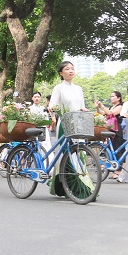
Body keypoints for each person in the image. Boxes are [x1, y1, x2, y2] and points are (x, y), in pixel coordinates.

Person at [47, 61, 91, 197]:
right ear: (61, 73)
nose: (71, 71)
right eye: (67, 69)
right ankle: (72, 186)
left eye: (72, 68)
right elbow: (53, 104)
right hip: (65, 123)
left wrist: (84, 109)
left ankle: (80, 183)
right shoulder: (59, 88)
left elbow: (82, 105)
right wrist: (52, 110)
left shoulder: (78, 88)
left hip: (78, 123)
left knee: (79, 152)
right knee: (66, 154)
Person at [95, 91, 124, 178]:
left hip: (117, 129)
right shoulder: (112, 107)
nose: (111, 98)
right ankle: (114, 168)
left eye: (113, 96)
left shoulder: (120, 107)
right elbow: (103, 113)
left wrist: (102, 106)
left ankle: (118, 170)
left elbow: (110, 113)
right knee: (111, 149)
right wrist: (97, 108)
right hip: (110, 129)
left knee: (117, 149)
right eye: (110, 96)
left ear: (118, 98)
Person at [29, 91, 53, 161]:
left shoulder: (43, 108)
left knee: (45, 146)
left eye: (38, 97)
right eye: (35, 97)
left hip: (43, 129)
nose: (36, 98)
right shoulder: (30, 108)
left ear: (40, 98)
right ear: (32, 98)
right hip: (34, 129)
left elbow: (46, 119)